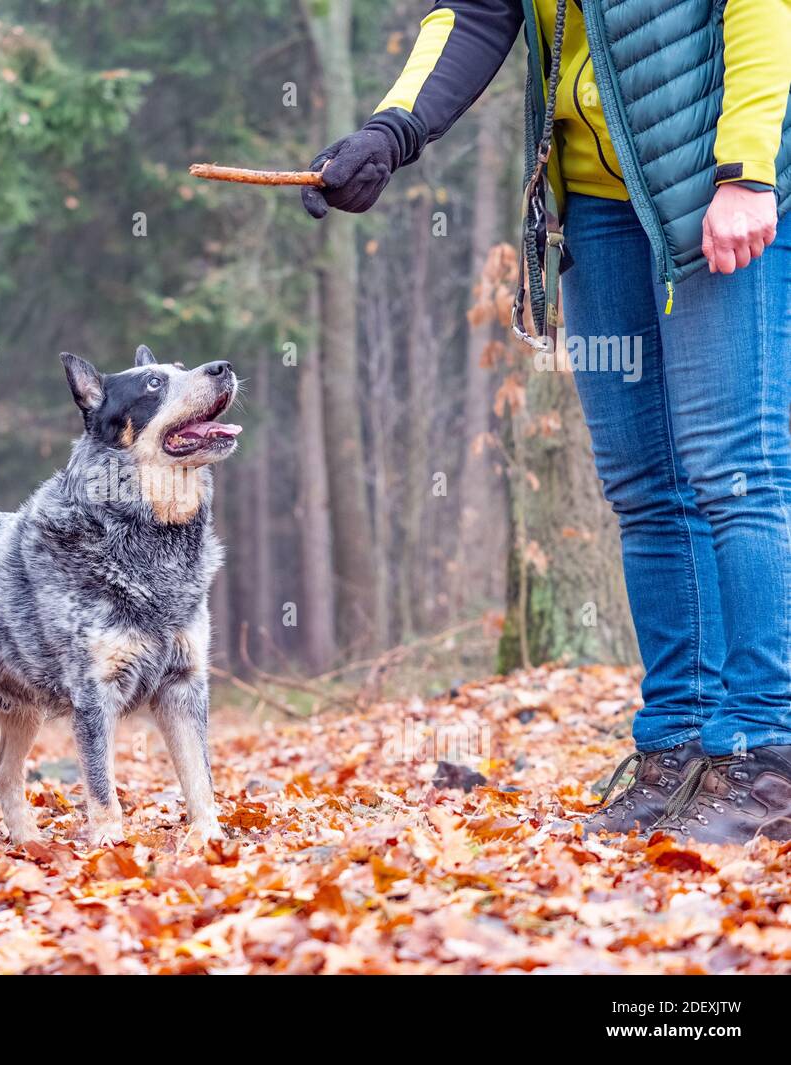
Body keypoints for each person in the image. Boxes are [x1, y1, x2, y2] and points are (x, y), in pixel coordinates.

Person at [303, 0, 791, 843]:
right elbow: (478, 13)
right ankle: (679, 751)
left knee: (733, 470)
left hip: (710, 185)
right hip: (596, 206)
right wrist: (390, 132)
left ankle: (765, 759)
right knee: (645, 486)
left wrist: (747, 167)